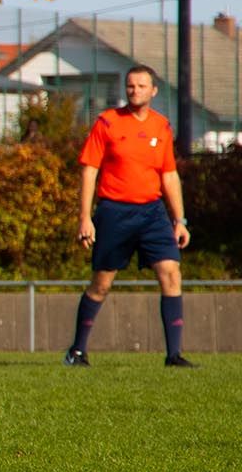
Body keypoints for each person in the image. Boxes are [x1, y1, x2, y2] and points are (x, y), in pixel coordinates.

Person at [66, 64, 195, 368]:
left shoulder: (161, 127)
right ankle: (77, 351)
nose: (134, 91)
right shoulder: (107, 123)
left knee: (171, 274)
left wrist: (180, 220)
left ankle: (174, 356)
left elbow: (169, 175)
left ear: (153, 91)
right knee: (102, 283)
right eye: (130, 86)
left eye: (140, 86)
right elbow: (89, 171)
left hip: (152, 212)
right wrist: (85, 217)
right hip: (114, 211)